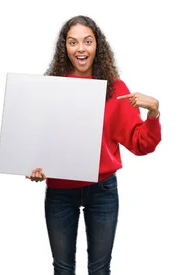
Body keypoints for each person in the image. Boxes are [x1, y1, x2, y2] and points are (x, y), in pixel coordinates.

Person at [26, 15, 162, 275]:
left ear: (97, 46)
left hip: (103, 191)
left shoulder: (115, 89)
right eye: (73, 42)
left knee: (100, 270)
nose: (80, 49)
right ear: (64, 47)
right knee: (63, 269)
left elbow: (141, 143)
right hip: (60, 191)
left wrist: (153, 113)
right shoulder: (51, 88)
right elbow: (35, 140)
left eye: (87, 41)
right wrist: (31, 165)